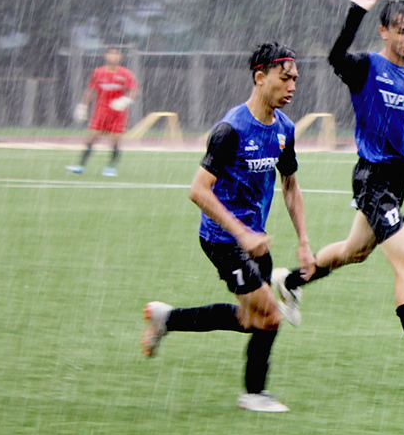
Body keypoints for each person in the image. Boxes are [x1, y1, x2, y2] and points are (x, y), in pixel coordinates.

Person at [270, 0, 404, 388]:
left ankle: (290, 280)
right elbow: (336, 55)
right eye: (401, 30)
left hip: (398, 179)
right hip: (373, 177)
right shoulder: (366, 68)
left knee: (352, 252)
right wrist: (355, 9)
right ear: (384, 31)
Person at [141, 42, 315, 413]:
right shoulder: (231, 130)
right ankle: (253, 394)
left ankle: (166, 319)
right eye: (284, 78)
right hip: (223, 239)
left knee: (252, 319)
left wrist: (304, 241)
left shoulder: (284, 129)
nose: (292, 86)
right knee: (269, 315)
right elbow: (198, 190)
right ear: (259, 77)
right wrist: (242, 233)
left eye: (295, 79)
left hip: (255, 242)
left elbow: (290, 185)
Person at [66, 46, 139, 177]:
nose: (114, 57)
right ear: (106, 56)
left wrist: (124, 100)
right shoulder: (98, 72)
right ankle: (80, 166)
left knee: (115, 140)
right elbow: (91, 90)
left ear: (121, 57)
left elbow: (134, 91)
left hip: (118, 113)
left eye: (117, 54)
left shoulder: (126, 74)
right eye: (111, 54)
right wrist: (83, 106)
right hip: (100, 111)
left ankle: (111, 167)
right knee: (92, 138)